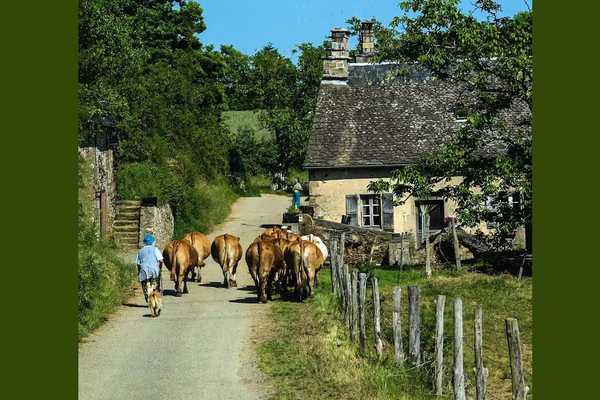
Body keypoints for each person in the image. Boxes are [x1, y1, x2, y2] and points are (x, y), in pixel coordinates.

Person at [136, 234, 163, 303]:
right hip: (154, 271)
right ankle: (153, 296)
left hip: (144, 271)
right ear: (152, 242)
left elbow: (138, 263)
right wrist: (160, 268)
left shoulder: (140, 251)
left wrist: (139, 271)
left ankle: (147, 297)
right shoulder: (155, 249)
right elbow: (161, 260)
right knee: (154, 284)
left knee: (144, 284)